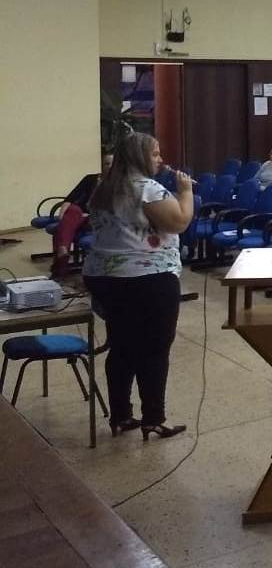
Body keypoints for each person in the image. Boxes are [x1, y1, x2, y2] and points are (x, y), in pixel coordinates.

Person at [83, 133, 190, 441]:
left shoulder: (103, 189)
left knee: (122, 345)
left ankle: (121, 415)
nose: (160, 159)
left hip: (105, 278)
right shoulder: (147, 188)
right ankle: (154, 419)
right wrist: (185, 192)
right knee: (154, 349)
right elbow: (179, 221)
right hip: (147, 277)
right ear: (139, 157)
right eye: (154, 154)